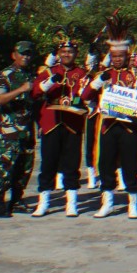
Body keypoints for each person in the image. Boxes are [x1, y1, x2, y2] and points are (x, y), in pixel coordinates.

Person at [89, 15, 137, 219]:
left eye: (121, 56)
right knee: (106, 164)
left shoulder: (136, 75)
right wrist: (97, 83)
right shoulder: (105, 75)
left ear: (127, 56)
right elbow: (86, 96)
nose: (117, 60)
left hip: (129, 127)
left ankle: (133, 203)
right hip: (108, 125)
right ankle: (107, 202)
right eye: (114, 57)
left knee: (131, 164)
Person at [31, 34, 91, 217]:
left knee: (72, 164)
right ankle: (44, 201)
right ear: (58, 53)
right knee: (48, 163)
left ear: (75, 54)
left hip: (72, 123)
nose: (67, 54)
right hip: (51, 123)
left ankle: (71, 202)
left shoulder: (81, 73)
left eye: (70, 52)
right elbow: (34, 92)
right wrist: (49, 82)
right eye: (64, 51)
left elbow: (88, 95)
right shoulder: (48, 71)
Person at [0, 41, 38, 218]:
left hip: (27, 128)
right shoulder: (5, 74)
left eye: (29, 54)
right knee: (5, 165)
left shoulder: (30, 74)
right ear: (14, 55)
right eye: (22, 53)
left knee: (25, 165)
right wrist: (21, 89)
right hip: (9, 130)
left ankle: (16, 200)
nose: (26, 57)